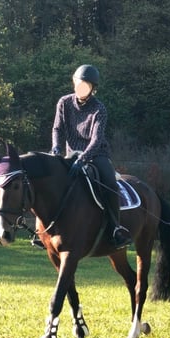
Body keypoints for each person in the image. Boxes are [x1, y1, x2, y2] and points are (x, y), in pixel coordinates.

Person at [46, 64, 132, 249]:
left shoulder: (99, 109)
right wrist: (55, 148)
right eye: (79, 83)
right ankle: (46, 230)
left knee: (109, 181)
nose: (82, 87)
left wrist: (83, 159)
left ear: (93, 88)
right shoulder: (64, 103)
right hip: (70, 154)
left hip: (96, 155)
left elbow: (96, 140)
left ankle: (115, 228)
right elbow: (57, 128)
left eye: (87, 85)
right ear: (74, 82)